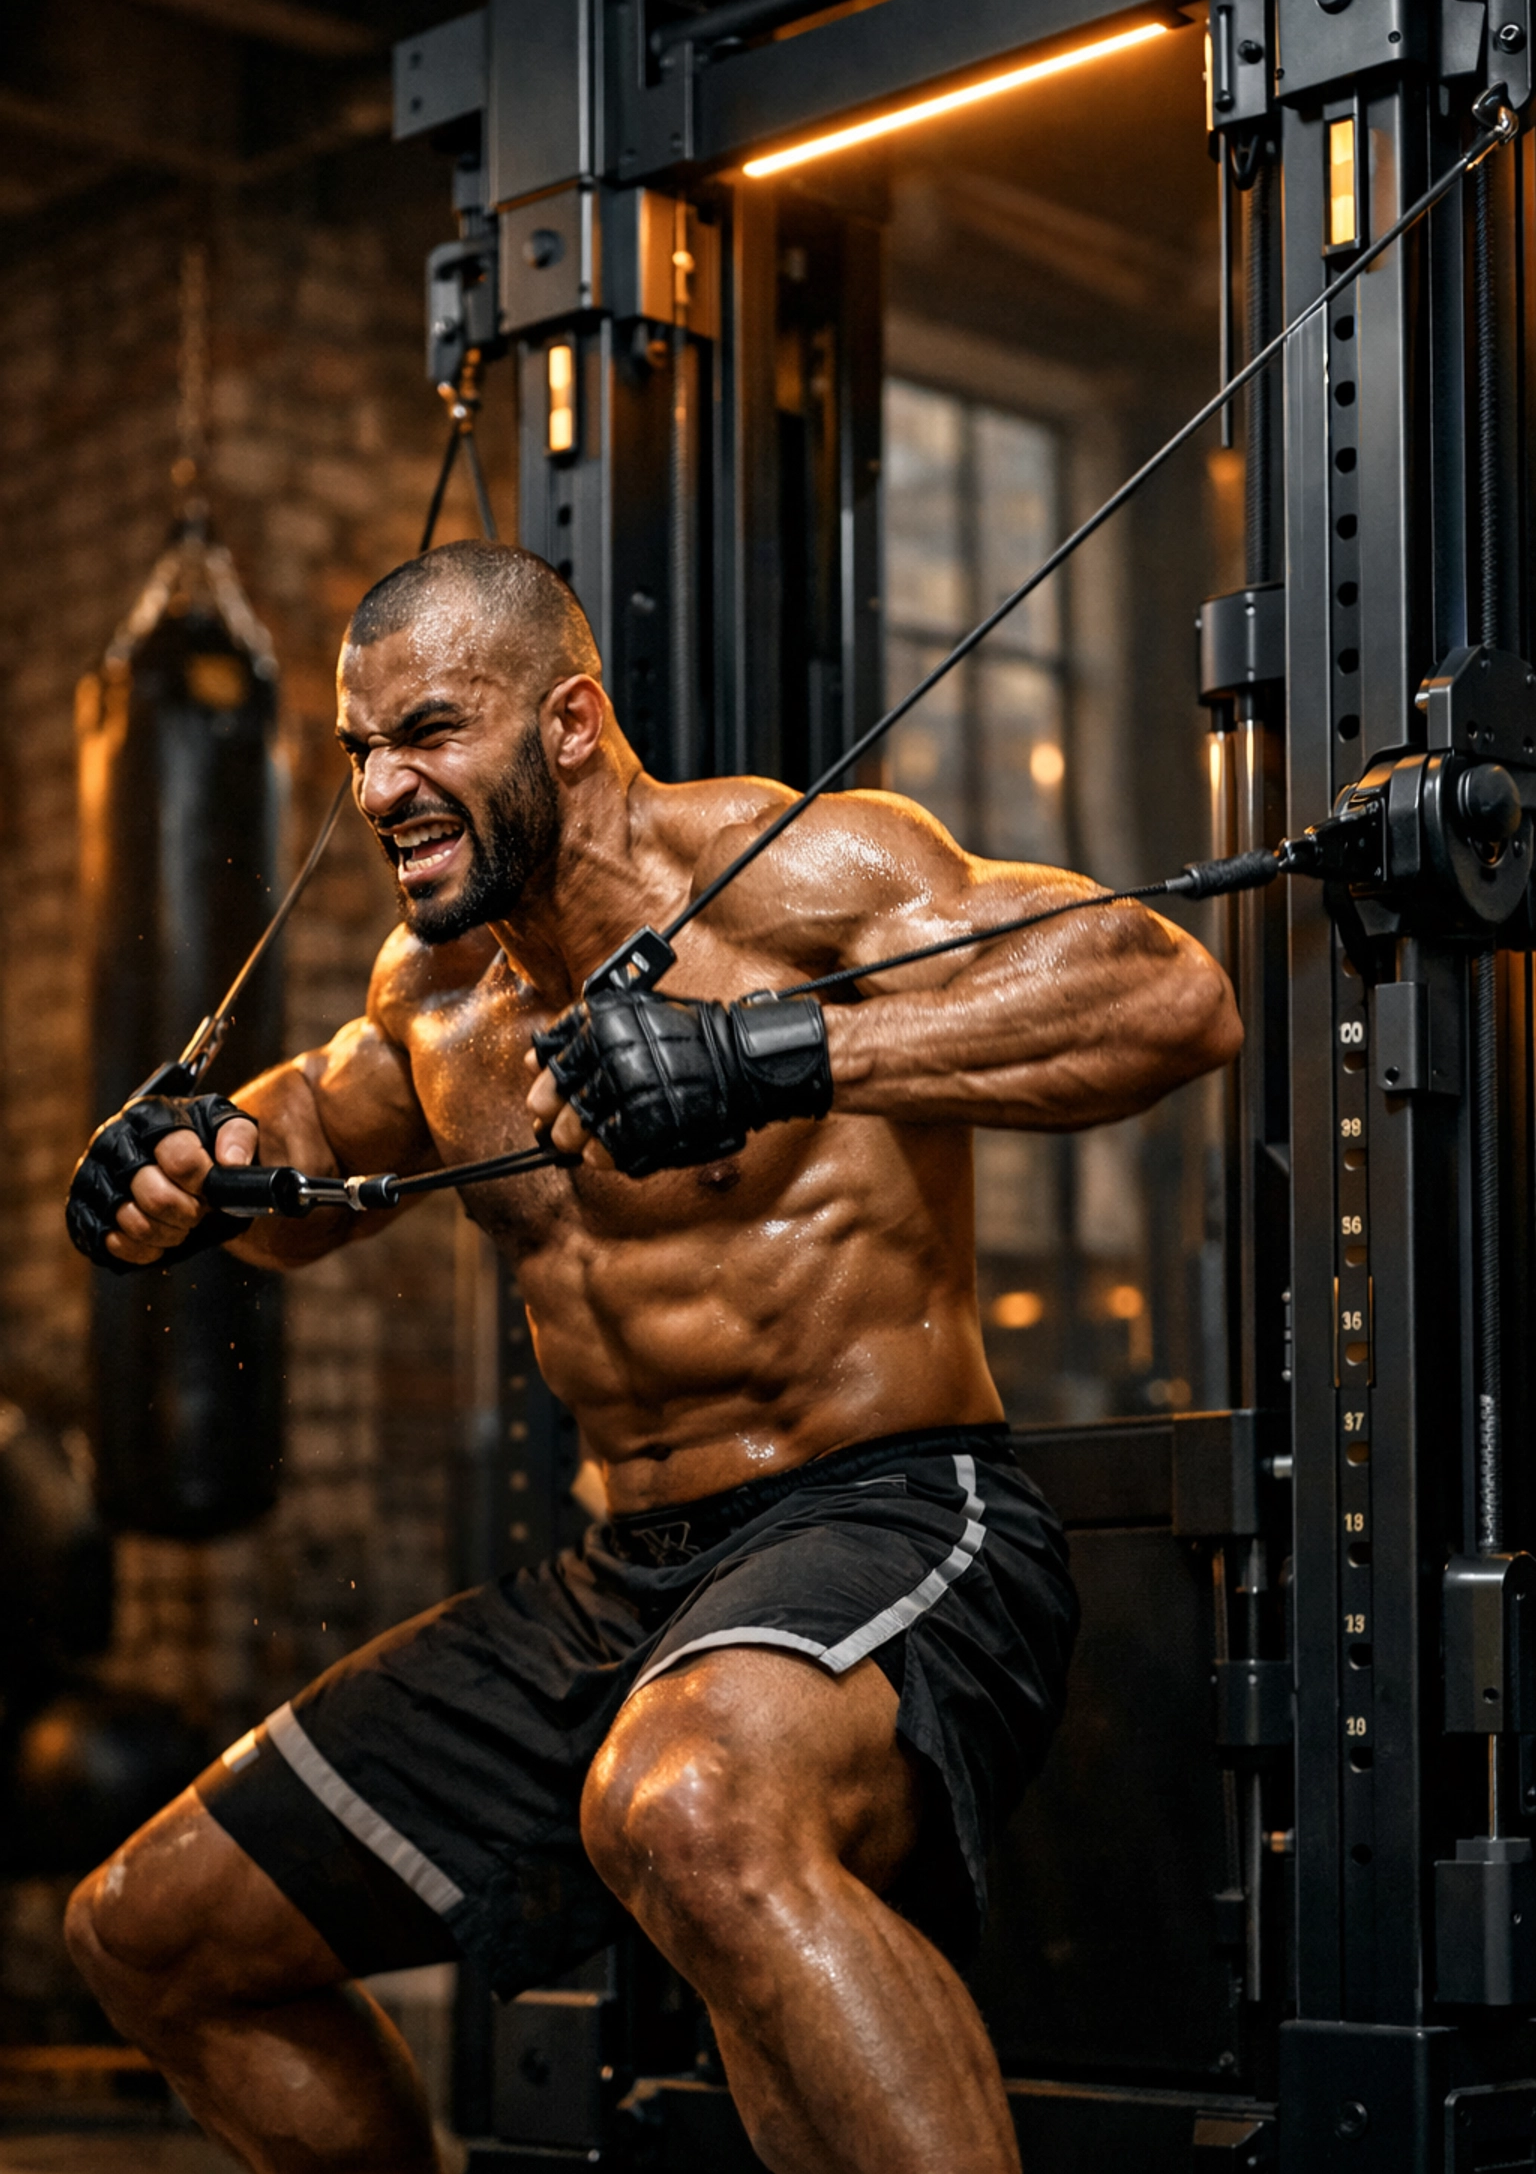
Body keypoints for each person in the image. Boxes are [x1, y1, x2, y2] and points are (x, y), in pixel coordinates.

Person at [62, 540, 1241, 2174]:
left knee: (684, 1804)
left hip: (897, 1519)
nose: (380, 787)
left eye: (424, 734)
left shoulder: (799, 875)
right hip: (625, 1586)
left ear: (566, 723)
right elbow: (315, 1142)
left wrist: (777, 1054)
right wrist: (189, 1167)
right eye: (357, 752)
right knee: (152, 1931)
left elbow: (1166, 995)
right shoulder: (443, 994)